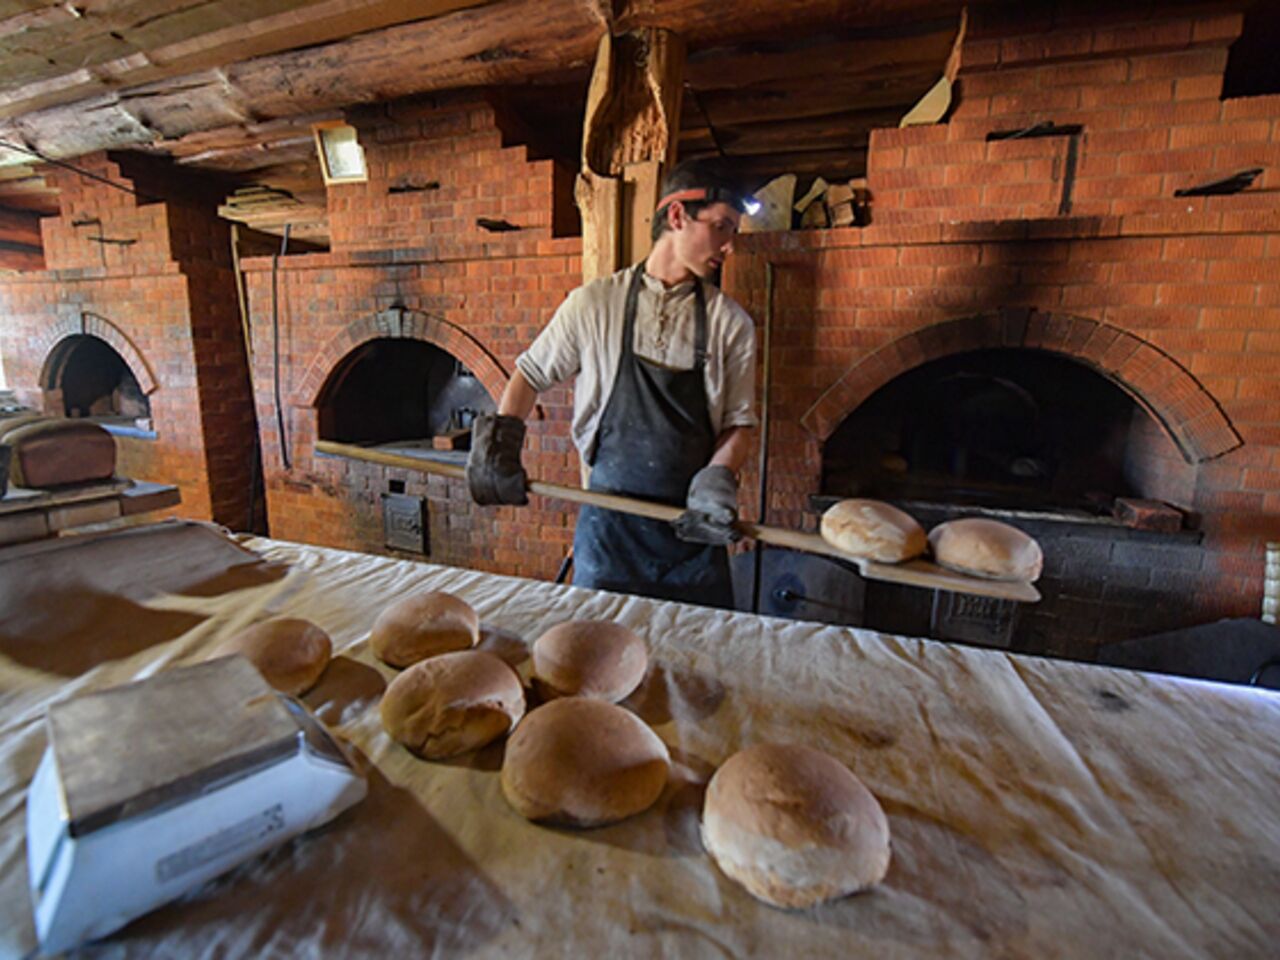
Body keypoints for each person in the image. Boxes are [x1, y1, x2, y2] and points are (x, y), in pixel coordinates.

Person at [466, 159, 758, 608]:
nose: (730, 246)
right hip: (610, 531)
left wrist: (718, 477)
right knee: (593, 657)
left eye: (733, 232)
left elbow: (739, 423)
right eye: (721, 227)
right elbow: (531, 374)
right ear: (678, 216)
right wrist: (499, 446)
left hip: (692, 531)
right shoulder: (595, 304)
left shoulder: (730, 324)